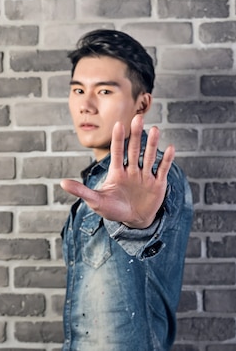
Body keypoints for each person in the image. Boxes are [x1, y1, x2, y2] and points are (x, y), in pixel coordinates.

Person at [59, 29, 194, 350]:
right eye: (78, 90)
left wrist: (138, 225)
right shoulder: (97, 180)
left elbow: (147, 225)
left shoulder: (154, 175)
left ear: (141, 103)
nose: (86, 105)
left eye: (104, 92)